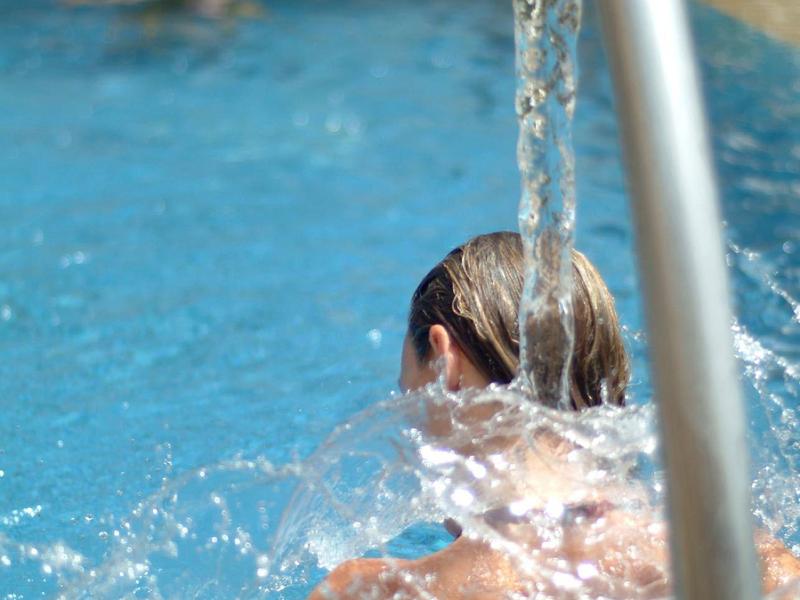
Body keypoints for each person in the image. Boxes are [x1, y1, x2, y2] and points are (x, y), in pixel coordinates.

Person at [309, 231, 800, 599]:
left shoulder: (368, 590)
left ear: (443, 363)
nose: (410, 419)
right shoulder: (746, 561)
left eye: (408, 392)